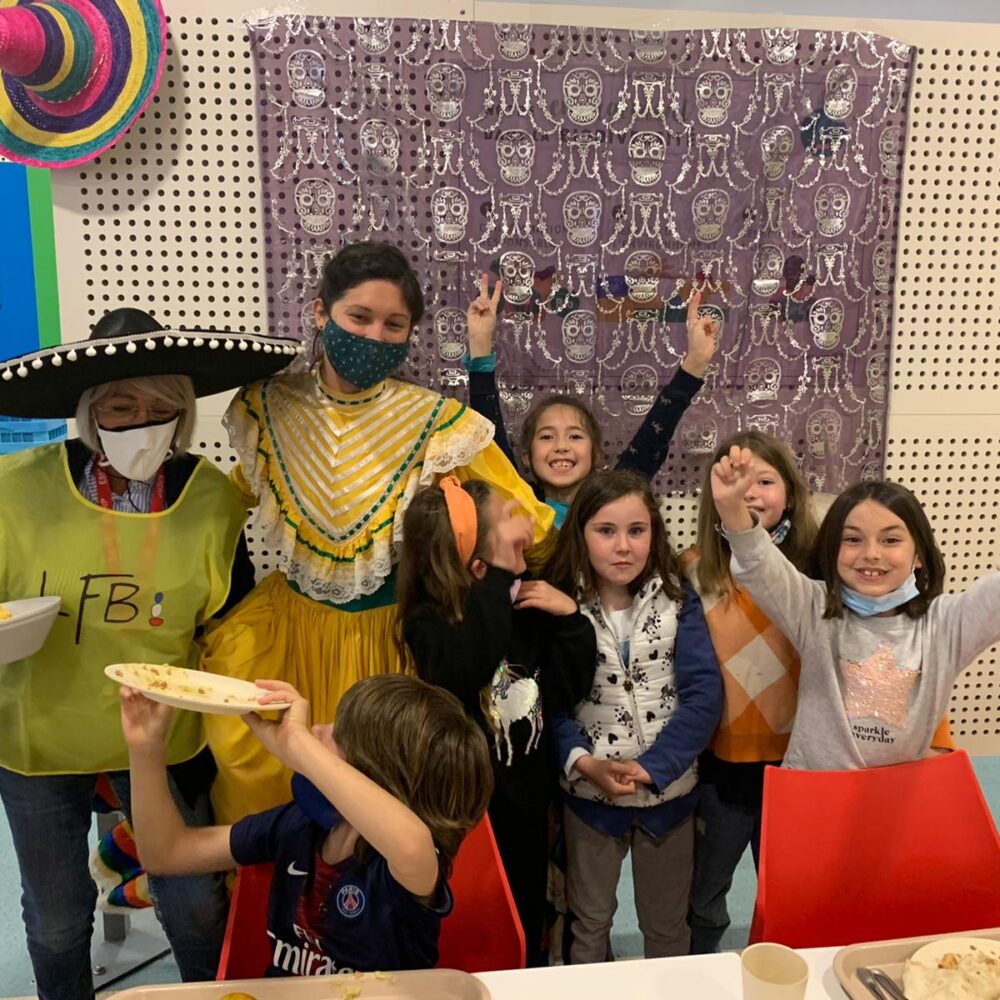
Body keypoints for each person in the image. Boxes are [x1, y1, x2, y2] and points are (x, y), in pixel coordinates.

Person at [0, 307, 299, 1000]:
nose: (142, 421)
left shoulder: (213, 501)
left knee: (195, 905)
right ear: (89, 411)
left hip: (166, 734)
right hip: (40, 731)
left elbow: (227, 621)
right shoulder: (15, 489)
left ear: (184, 412)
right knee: (55, 920)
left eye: (161, 407)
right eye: (121, 407)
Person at [202, 242, 556, 824]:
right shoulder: (270, 405)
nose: (374, 336)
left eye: (394, 325)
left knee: (382, 802)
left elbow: (526, 518)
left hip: (389, 644)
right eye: (359, 317)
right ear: (321, 312)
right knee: (264, 787)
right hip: (287, 637)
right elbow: (232, 497)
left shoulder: (435, 423)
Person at [120, 674, 493, 978]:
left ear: (374, 775)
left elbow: (411, 843)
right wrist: (145, 748)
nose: (317, 729)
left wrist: (296, 744)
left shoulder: (411, 865)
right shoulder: (299, 824)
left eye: (337, 734)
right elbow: (164, 853)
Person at [397, 477, 597, 966]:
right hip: (467, 813)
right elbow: (465, 668)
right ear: (475, 556)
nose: (525, 521)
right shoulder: (428, 620)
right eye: (509, 515)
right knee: (473, 924)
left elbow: (568, 688)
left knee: (526, 922)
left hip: (528, 804)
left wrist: (572, 620)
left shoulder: (528, 606)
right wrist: (494, 577)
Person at [710, 447, 1000, 770]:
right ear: (832, 550)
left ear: (919, 555)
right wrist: (731, 509)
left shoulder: (945, 625)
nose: (872, 554)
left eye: (890, 540)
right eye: (853, 540)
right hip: (813, 789)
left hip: (897, 794)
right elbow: (759, 564)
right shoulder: (813, 610)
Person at [545, 470, 723, 962]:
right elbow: (548, 704)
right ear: (581, 532)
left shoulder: (678, 601)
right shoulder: (561, 608)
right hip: (589, 800)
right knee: (589, 923)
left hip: (669, 798)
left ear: (653, 533)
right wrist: (584, 763)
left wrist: (654, 766)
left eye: (636, 531)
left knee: (666, 926)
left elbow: (703, 695)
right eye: (606, 531)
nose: (623, 546)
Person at [681, 431, 817, 954]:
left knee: (789, 891)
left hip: (797, 766)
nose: (751, 493)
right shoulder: (694, 569)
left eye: (765, 481)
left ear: (791, 493)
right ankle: (699, 965)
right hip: (722, 768)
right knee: (706, 893)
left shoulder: (815, 571)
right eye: (738, 482)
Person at [464, 285, 719, 526]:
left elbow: (651, 439)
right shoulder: (521, 503)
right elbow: (489, 438)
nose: (561, 447)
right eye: (546, 436)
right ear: (526, 458)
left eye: (575, 436)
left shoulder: (610, 503)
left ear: (596, 454)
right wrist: (480, 345)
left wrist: (695, 363)